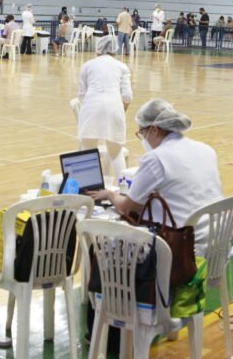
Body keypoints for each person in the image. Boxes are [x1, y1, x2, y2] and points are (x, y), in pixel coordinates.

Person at [88, 99, 223, 253]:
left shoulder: (157, 158)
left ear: (154, 130)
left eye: (142, 132)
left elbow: (126, 208)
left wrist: (111, 194)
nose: (143, 138)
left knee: (102, 245)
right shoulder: (206, 149)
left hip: (182, 248)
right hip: (218, 240)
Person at [77, 36, 133, 181]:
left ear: (98, 48)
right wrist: (120, 113)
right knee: (116, 154)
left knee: (87, 154)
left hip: (90, 108)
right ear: (115, 49)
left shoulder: (87, 65)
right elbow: (127, 97)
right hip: (114, 109)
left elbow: (82, 95)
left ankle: (88, 188)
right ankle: (123, 190)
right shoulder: (122, 67)